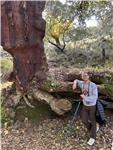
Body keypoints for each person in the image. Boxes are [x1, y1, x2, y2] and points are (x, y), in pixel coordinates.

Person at [72, 71, 98, 146]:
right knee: (83, 119)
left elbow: (94, 97)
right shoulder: (82, 83)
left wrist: (85, 98)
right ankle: (93, 128)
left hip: (92, 105)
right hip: (85, 105)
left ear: (89, 76)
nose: (84, 77)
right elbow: (76, 80)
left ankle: (93, 137)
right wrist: (74, 83)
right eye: (83, 76)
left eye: (85, 75)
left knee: (92, 120)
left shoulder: (93, 85)